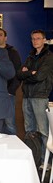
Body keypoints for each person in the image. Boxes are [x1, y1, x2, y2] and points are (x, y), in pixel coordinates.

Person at [17, 29, 53, 161]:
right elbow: (19, 74)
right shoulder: (30, 56)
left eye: (38, 38)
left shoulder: (49, 57)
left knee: (43, 130)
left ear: (44, 40)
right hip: (26, 96)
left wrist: (30, 73)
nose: (35, 41)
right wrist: (30, 73)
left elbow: (39, 76)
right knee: (29, 130)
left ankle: (45, 160)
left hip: (40, 96)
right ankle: (33, 158)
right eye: (33, 39)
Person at [0, 28, 22, 135]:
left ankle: (13, 149)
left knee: (9, 123)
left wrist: (11, 90)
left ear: (5, 38)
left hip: (8, 93)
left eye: (0, 35)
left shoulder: (13, 53)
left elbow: (17, 73)